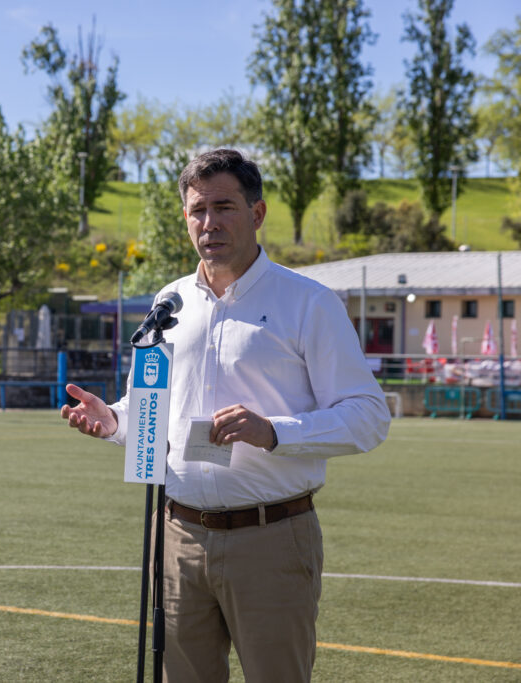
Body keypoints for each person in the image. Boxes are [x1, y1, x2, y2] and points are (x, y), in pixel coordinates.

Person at [60, 148, 390, 682]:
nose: (209, 222)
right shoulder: (169, 303)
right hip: (176, 536)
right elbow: (152, 411)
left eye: (224, 207)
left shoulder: (309, 302)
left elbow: (369, 416)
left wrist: (273, 432)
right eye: (198, 210)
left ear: (257, 213)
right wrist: (114, 421)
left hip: (271, 538)